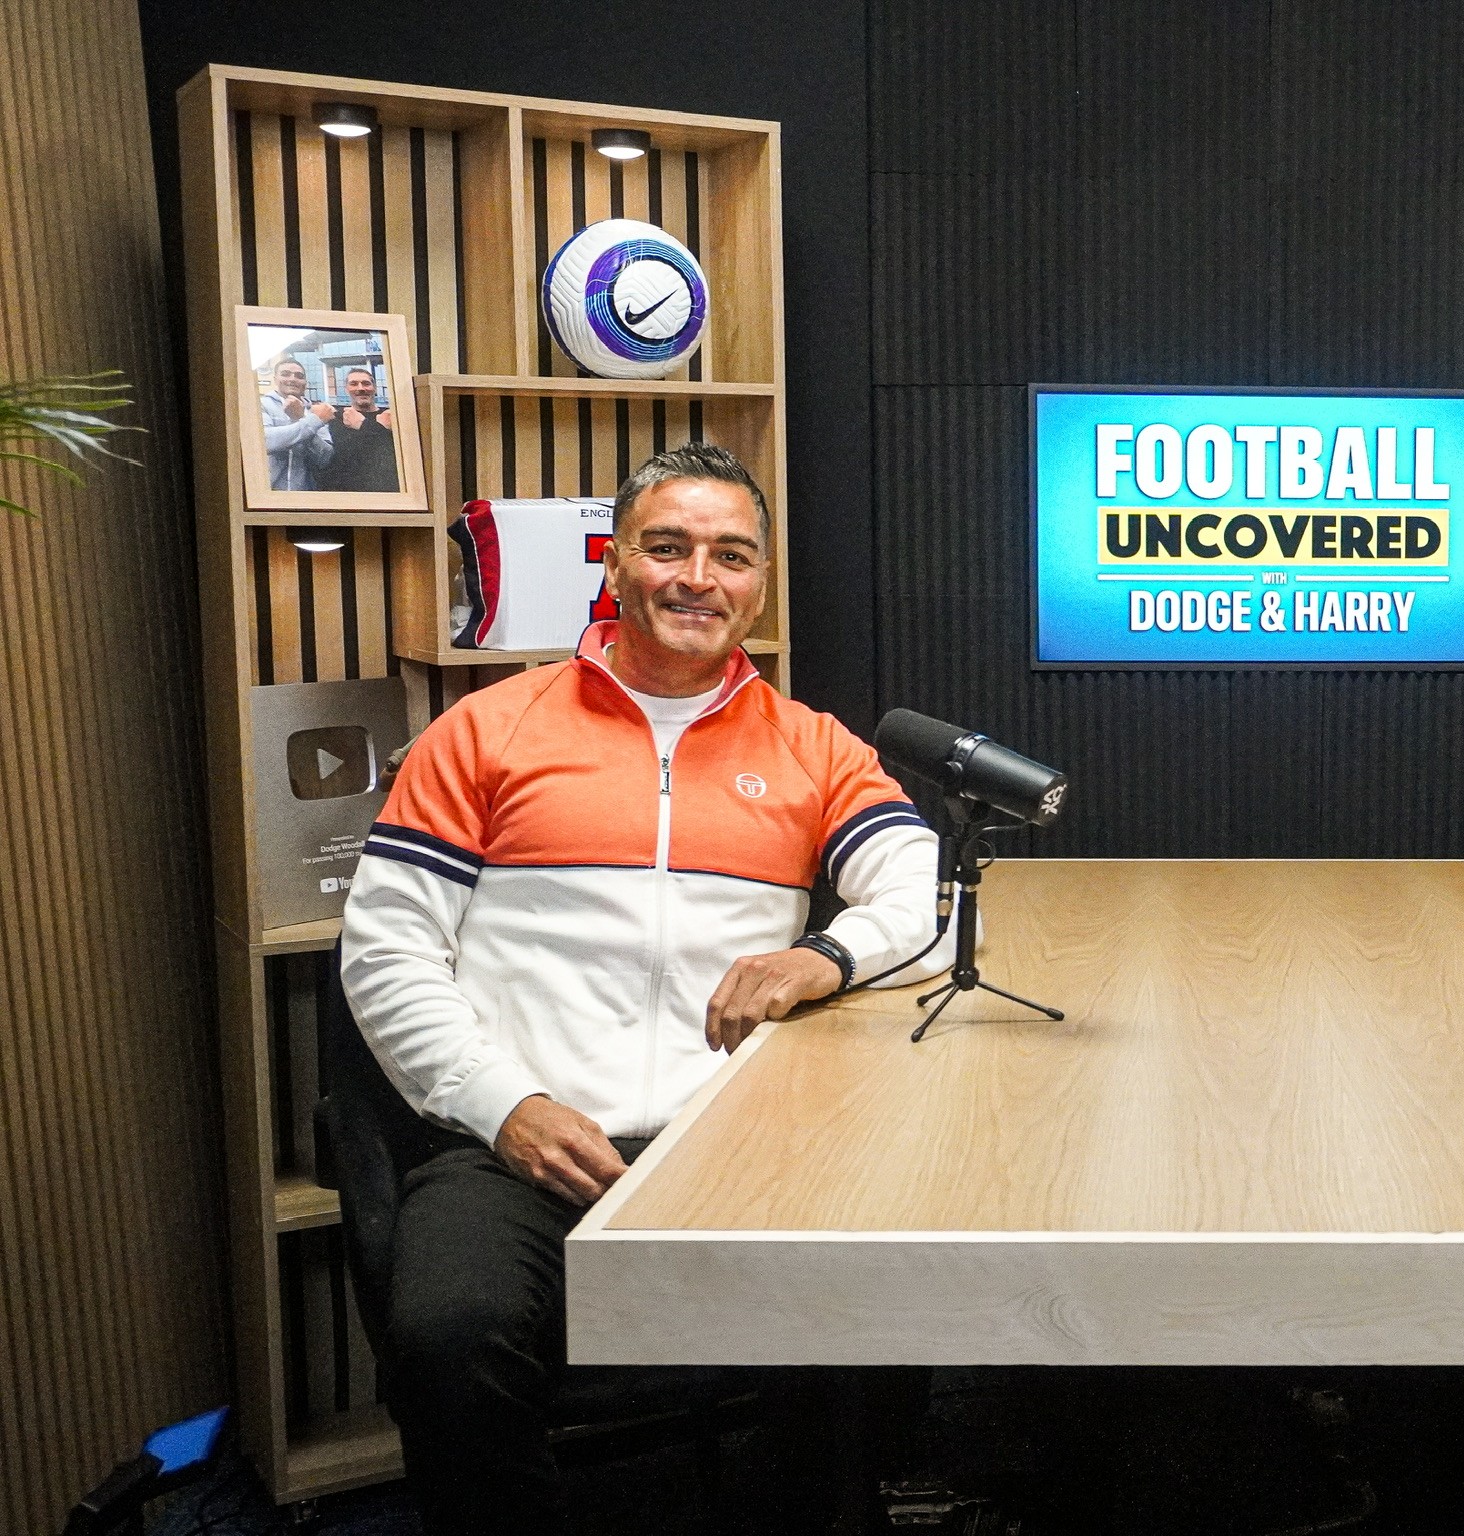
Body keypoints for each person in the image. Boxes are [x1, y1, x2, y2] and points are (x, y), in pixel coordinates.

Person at [340, 442, 948, 1533]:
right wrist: (506, 1107)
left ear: (758, 585)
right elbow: (384, 953)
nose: (697, 577)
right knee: (446, 1338)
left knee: (871, 1314)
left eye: (730, 555)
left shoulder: (813, 748)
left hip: (735, 1144)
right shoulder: (483, 731)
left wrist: (824, 956)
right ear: (614, 567)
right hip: (514, 1142)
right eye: (667, 548)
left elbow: (921, 898)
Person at [318, 364, 399, 492]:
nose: (361, 388)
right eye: (354, 384)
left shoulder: (390, 417)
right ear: (346, 389)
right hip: (350, 494)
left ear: (375, 388)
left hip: (385, 493)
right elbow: (345, 455)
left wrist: (363, 425)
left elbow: (390, 453)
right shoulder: (337, 419)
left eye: (366, 383)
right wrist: (376, 429)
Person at [258, 355, 331, 490]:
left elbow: (324, 457)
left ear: (305, 382)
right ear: (275, 379)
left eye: (299, 376)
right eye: (285, 374)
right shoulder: (261, 404)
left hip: (305, 496)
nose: (292, 379)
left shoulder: (316, 411)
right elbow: (265, 441)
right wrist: (310, 422)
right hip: (269, 494)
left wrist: (299, 418)